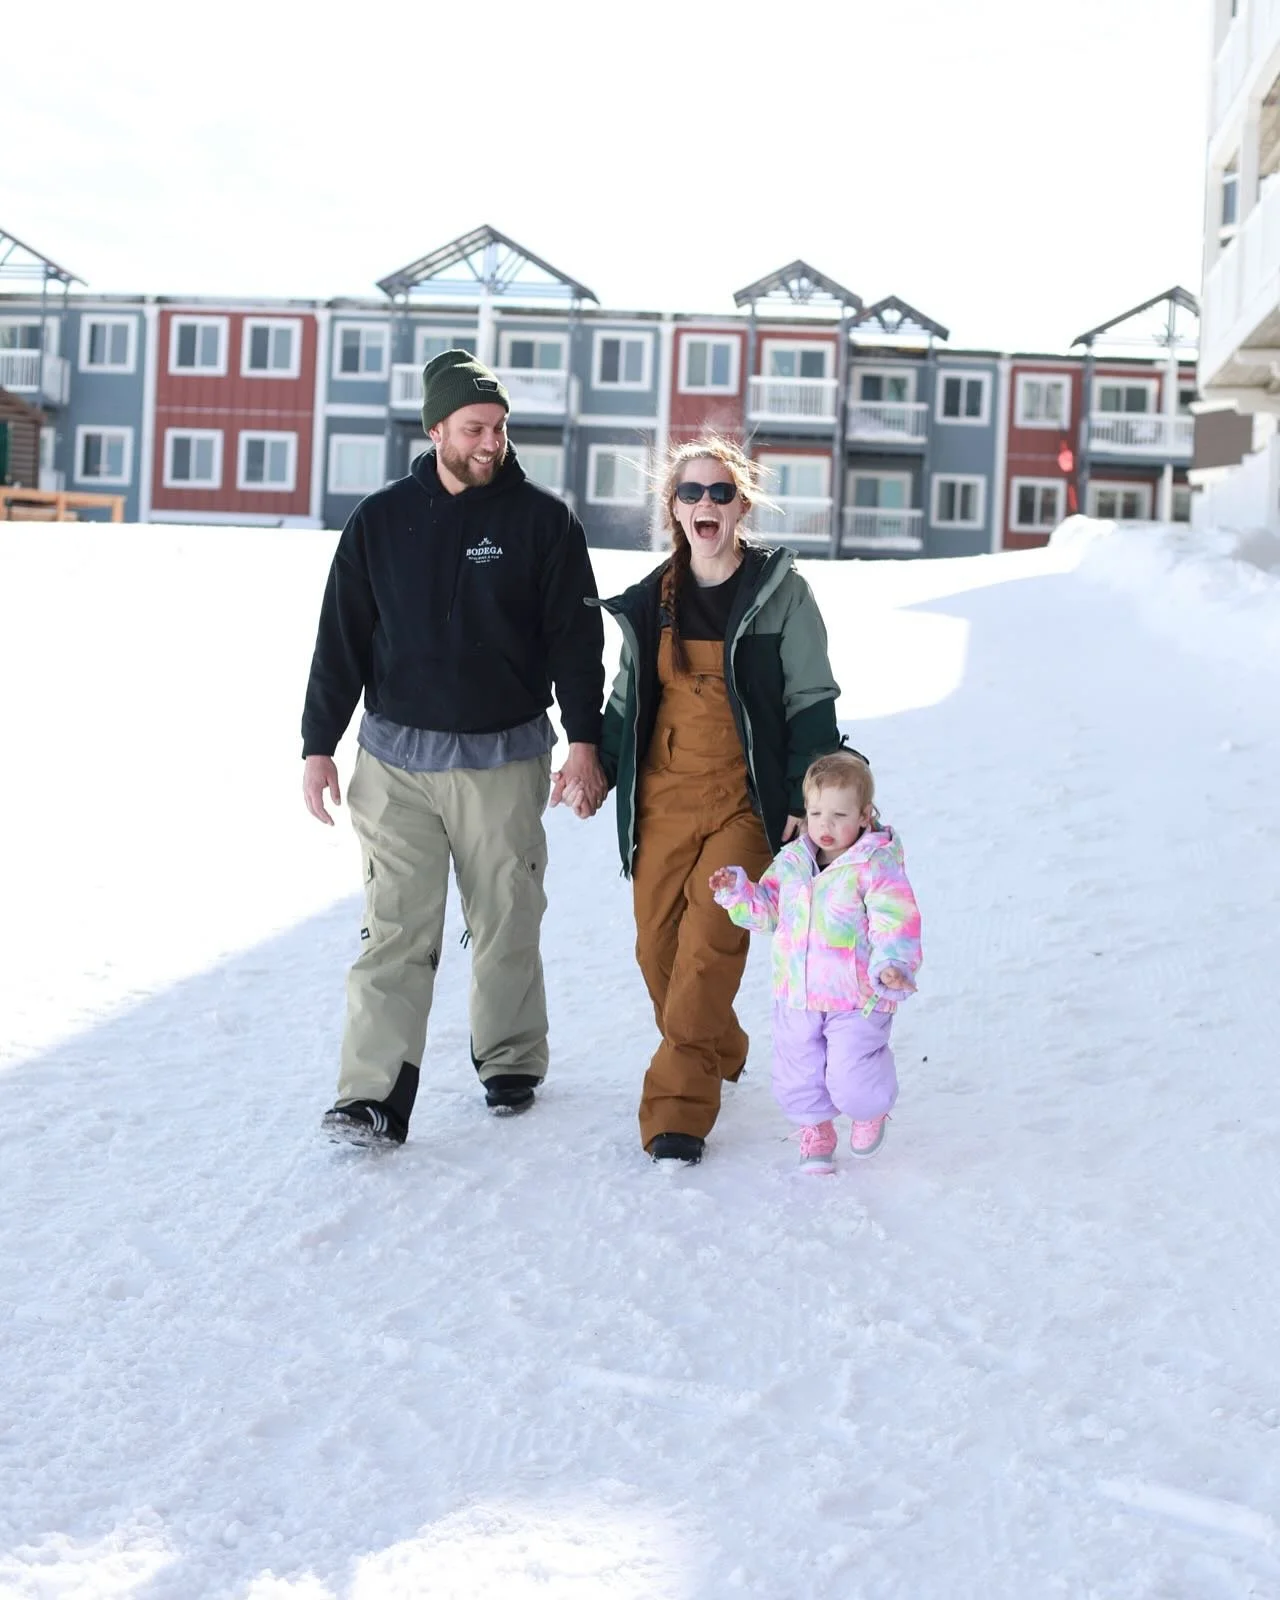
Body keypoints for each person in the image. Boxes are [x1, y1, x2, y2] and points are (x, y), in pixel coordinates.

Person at [301, 349, 606, 1147]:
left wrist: (584, 743)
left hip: (503, 761)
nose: (490, 443)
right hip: (395, 765)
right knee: (395, 927)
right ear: (435, 427)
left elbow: (577, 642)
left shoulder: (543, 522)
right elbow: (341, 640)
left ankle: (509, 1059)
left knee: (507, 917)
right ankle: (371, 1096)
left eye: (499, 428)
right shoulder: (379, 521)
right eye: (474, 428)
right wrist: (317, 744)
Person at [561, 436, 843, 1167]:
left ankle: (676, 1112)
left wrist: (803, 798)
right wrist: (595, 766)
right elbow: (628, 698)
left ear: (742, 505)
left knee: (711, 946)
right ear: (674, 509)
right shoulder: (651, 603)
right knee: (658, 952)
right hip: (661, 796)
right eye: (692, 493)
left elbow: (810, 700)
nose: (706, 504)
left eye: (721, 493)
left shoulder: (782, 595)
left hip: (744, 804)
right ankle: (720, 1040)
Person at [709, 750, 922, 1174]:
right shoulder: (790, 863)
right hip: (798, 996)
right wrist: (738, 891)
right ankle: (816, 1130)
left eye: (839, 814)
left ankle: (868, 1111)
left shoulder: (872, 867)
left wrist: (893, 964)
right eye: (816, 812)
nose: (826, 825)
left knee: (851, 1075)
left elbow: (894, 920)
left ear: (864, 816)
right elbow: (767, 910)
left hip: (855, 998)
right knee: (798, 1075)